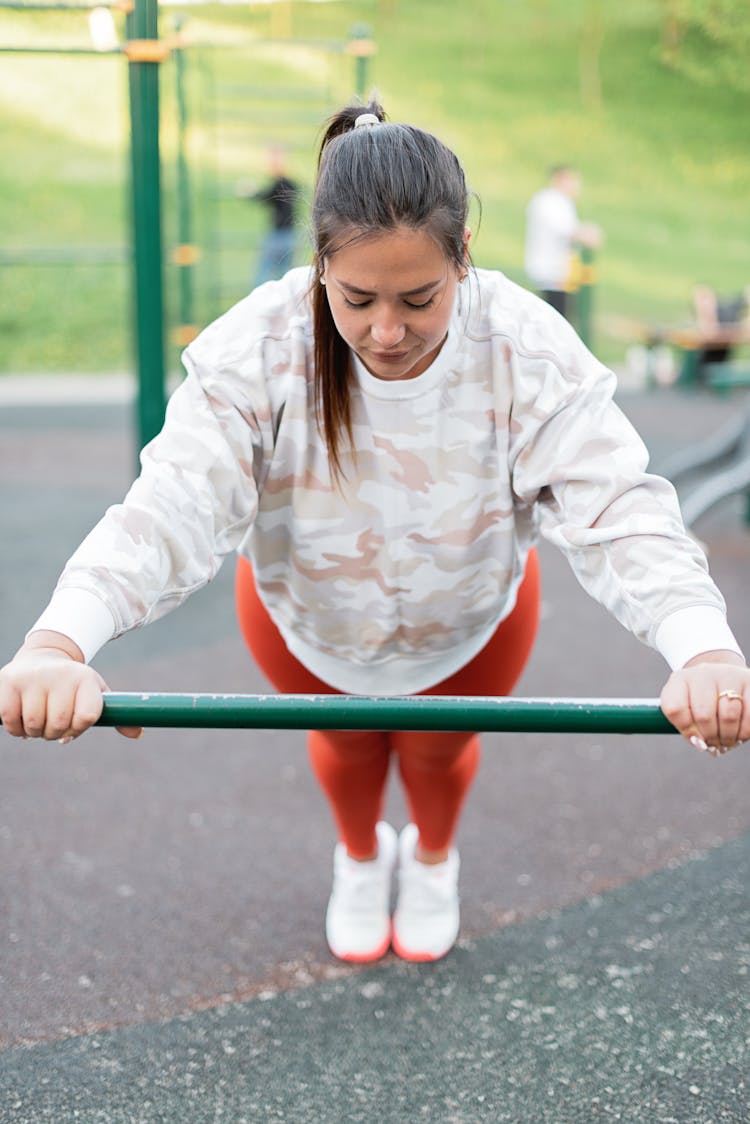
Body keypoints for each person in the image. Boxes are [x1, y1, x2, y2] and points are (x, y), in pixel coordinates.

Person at [1, 101, 749, 967]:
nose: (386, 331)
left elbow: (619, 510)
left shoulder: (523, 346)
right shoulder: (264, 342)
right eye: (357, 298)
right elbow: (172, 504)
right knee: (346, 742)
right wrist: (62, 639)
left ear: (462, 256)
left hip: (473, 615)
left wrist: (701, 648)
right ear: (321, 266)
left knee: (438, 749)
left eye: (419, 298)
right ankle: (360, 858)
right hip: (303, 613)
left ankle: (432, 858)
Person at [524, 164, 603, 319]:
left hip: (559, 273)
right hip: (552, 272)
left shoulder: (559, 201)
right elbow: (566, 230)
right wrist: (589, 234)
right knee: (555, 318)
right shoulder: (550, 200)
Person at [242, 145, 301, 287]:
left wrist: (249, 191)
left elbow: (264, 197)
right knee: (286, 274)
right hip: (289, 234)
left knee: (264, 274)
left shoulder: (281, 183)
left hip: (279, 235)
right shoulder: (289, 184)